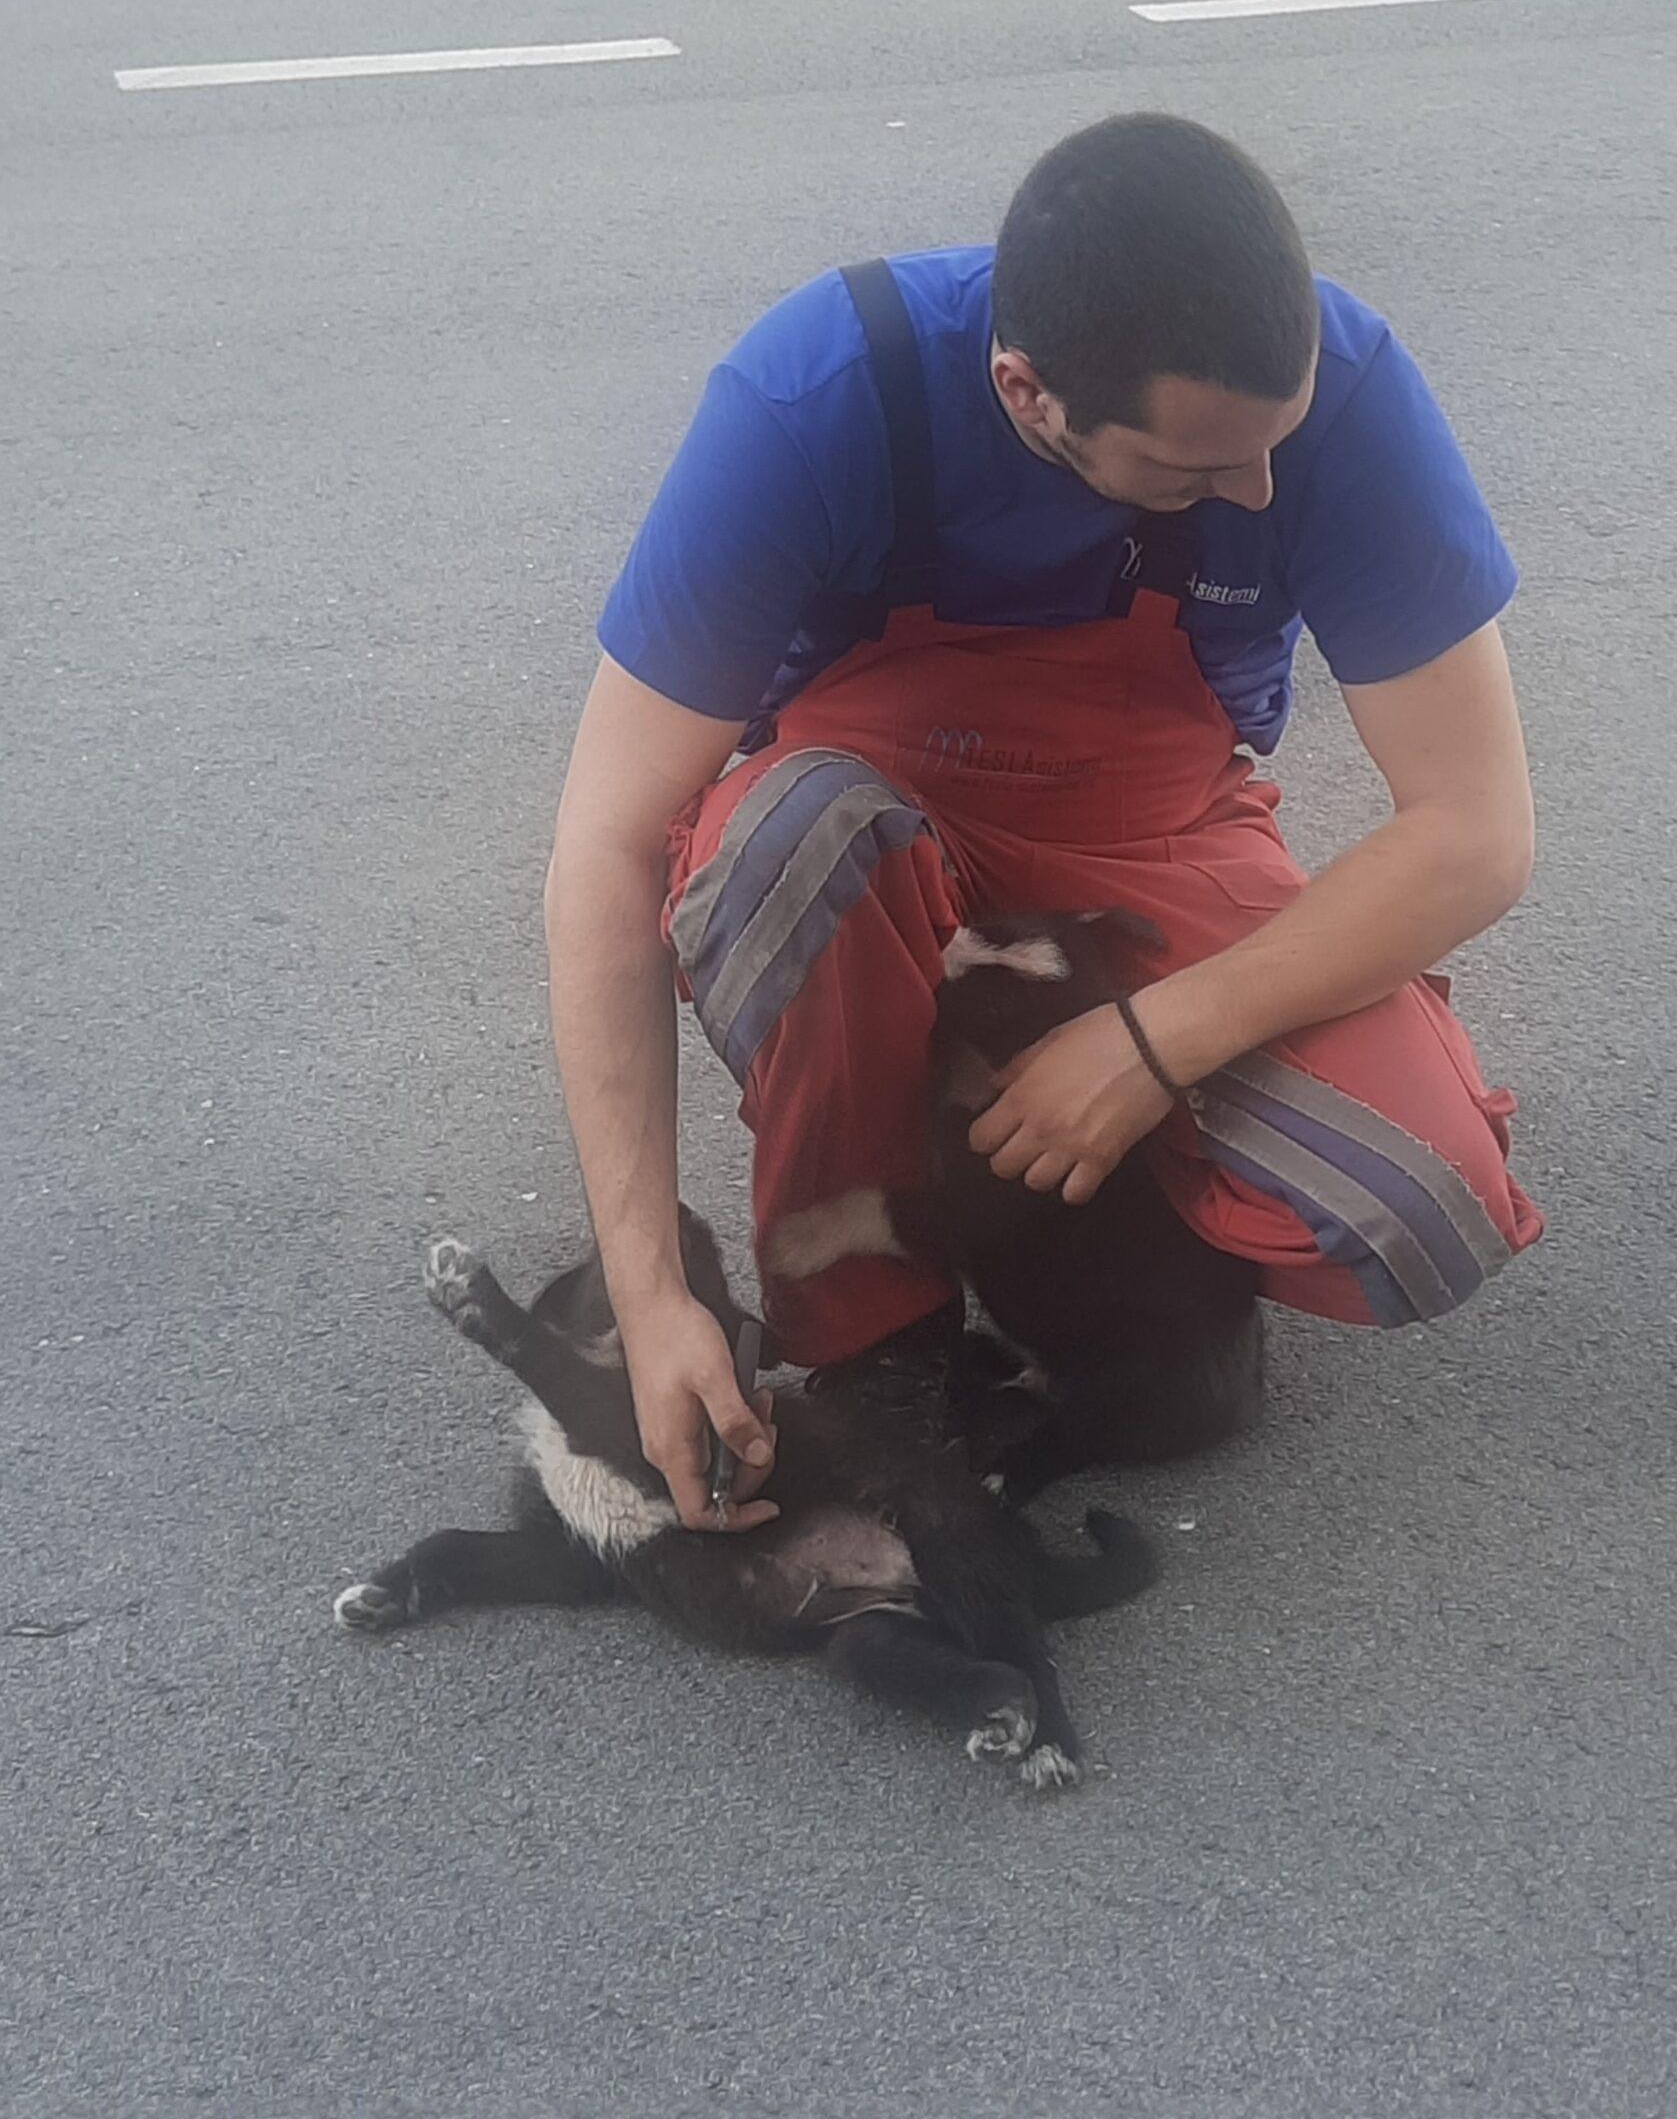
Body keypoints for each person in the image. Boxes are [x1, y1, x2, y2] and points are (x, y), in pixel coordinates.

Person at [545, 114, 1543, 1533]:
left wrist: (1154, 1043)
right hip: (866, 825)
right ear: (1027, 396)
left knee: (1421, 1205)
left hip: (1152, 827)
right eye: (1197, 471)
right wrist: (649, 1299)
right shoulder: (820, 391)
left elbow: (1477, 829)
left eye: (1277, 443)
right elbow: (604, 846)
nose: (1258, 491)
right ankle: (875, 1333)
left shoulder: (1341, 393)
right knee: (787, 845)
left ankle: (1016, 1144)